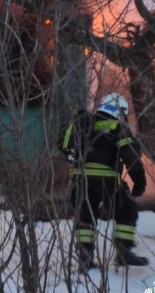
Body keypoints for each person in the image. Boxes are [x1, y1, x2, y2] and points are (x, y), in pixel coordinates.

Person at [59, 92, 148, 270]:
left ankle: (85, 259)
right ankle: (123, 251)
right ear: (120, 111)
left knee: (84, 218)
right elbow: (130, 155)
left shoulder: (84, 124)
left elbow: (64, 147)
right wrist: (139, 182)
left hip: (79, 180)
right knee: (126, 209)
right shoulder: (117, 127)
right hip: (106, 180)